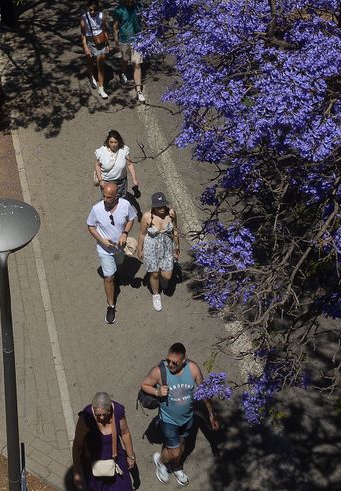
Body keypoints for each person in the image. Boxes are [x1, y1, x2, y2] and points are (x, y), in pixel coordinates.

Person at [138, 343, 219, 486]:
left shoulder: (193, 369)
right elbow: (144, 385)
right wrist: (157, 392)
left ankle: (175, 467)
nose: (170, 365)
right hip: (168, 420)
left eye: (174, 362)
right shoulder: (159, 371)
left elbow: (204, 392)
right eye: (168, 360)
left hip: (187, 418)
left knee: (181, 445)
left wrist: (211, 414)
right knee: (175, 451)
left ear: (184, 360)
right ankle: (161, 462)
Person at [86, 181, 136, 324]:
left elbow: (131, 219)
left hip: (119, 248)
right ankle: (111, 306)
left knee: (119, 263)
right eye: (104, 196)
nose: (105, 200)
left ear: (116, 196)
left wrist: (125, 233)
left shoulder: (125, 205)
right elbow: (90, 226)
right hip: (104, 250)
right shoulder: (96, 209)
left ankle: (116, 273)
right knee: (108, 277)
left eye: (109, 197)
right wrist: (102, 241)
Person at [71, 391, 135, 490]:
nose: (101, 418)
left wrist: (130, 456)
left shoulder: (118, 411)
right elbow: (77, 445)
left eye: (104, 415)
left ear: (110, 410)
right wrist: (77, 471)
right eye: (97, 414)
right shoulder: (86, 418)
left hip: (116, 461)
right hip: (94, 465)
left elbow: (125, 433)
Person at [139, 192, 179, 312]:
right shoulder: (147, 217)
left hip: (167, 246)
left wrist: (177, 246)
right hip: (151, 248)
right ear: (153, 206)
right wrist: (140, 250)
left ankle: (162, 276)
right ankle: (156, 295)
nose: (162, 209)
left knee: (167, 276)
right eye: (159, 207)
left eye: (163, 206)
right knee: (154, 274)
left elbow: (175, 230)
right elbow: (142, 234)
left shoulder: (171, 213)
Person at [112, 0, 147, 103]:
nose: (129, 3)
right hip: (124, 40)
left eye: (131, 1)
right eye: (127, 1)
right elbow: (115, 27)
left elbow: (144, 19)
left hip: (137, 40)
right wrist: (116, 42)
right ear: (124, 0)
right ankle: (123, 72)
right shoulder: (119, 10)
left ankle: (139, 91)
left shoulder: (139, 6)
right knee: (125, 60)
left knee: (137, 64)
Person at [93, 130, 139, 202]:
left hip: (121, 182)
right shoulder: (102, 152)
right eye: (111, 142)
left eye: (115, 142)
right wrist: (101, 181)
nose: (113, 145)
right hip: (107, 182)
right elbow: (97, 166)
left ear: (119, 142)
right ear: (108, 142)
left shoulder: (124, 150)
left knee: (121, 200)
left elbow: (129, 164)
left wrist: (134, 179)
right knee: (108, 200)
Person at [81, 0, 113, 99]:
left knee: (101, 65)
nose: (92, 12)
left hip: (101, 40)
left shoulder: (101, 16)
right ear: (88, 8)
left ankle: (101, 88)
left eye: (95, 10)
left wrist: (107, 43)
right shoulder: (84, 18)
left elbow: (104, 29)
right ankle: (91, 76)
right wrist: (85, 47)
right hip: (90, 41)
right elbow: (83, 34)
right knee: (90, 61)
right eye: (90, 9)